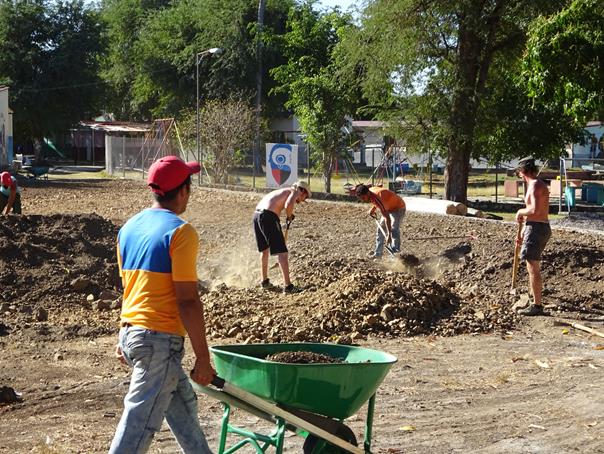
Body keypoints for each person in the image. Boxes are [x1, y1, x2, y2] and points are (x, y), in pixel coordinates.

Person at [110, 156, 215, 454]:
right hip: (159, 341)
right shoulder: (180, 232)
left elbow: (131, 288)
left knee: (183, 409)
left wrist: (125, 333)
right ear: (182, 191)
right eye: (189, 187)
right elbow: (188, 301)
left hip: (134, 334)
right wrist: (203, 359)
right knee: (137, 427)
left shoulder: (128, 228)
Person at [253, 180, 311, 293]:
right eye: (305, 197)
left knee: (264, 251)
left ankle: (264, 282)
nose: (302, 200)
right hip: (268, 216)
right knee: (283, 253)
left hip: (257, 216)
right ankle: (288, 286)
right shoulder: (295, 191)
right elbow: (288, 204)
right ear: (303, 191)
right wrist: (289, 216)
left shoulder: (282, 191)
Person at [514, 157, 551, 316]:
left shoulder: (535, 185)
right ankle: (534, 300)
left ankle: (537, 306)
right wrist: (524, 232)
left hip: (537, 228)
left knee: (532, 266)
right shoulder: (535, 184)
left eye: (519, 173)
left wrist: (520, 211)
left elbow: (534, 210)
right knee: (531, 266)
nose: (520, 176)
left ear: (523, 171)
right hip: (534, 227)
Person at [355, 183, 406, 258]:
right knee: (380, 229)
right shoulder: (371, 192)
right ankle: (378, 254)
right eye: (361, 198)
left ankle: (395, 255)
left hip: (398, 208)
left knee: (394, 230)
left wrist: (388, 234)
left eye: (363, 198)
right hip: (387, 207)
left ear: (368, 193)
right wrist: (373, 209)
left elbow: (387, 218)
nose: (363, 200)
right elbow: (376, 201)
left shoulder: (378, 198)